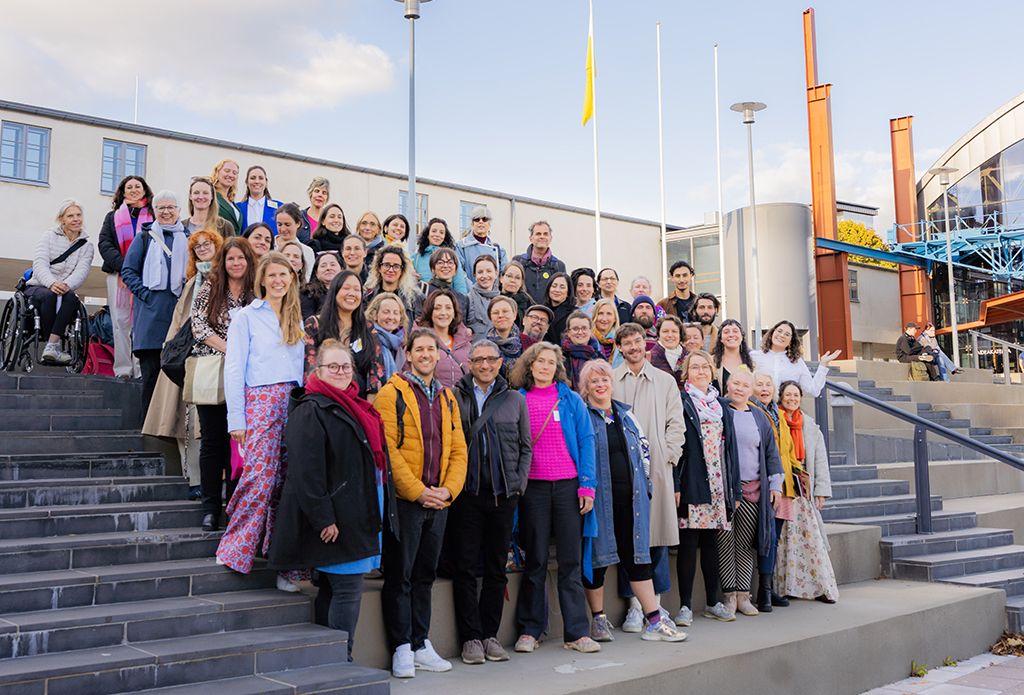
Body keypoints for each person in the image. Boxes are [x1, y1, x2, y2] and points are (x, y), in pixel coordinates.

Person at [268, 340, 397, 662]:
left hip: (359, 509)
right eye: (333, 367)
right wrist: (324, 518)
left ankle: (328, 660)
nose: (340, 372)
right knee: (347, 590)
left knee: (331, 587)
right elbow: (306, 472)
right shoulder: (312, 408)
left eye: (345, 367)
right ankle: (343, 660)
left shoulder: (355, 404)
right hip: (337, 516)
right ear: (317, 370)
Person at [377, 328, 468, 679]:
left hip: (439, 500)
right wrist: (417, 491)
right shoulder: (391, 394)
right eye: (420, 349)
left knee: (425, 575)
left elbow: (459, 448)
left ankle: (420, 641)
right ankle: (401, 646)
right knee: (400, 575)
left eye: (433, 349)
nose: (427, 354)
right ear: (409, 354)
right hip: (408, 501)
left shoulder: (447, 397)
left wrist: (448, 490)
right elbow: (389, 451)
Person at [578, 359, 688, 643]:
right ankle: (598, 619)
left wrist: (647, 486)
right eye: (594, 381)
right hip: (598, 501)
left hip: (631, 500)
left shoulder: (626, 415)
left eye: (604, 380)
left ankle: (653, 620)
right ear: (586, 387)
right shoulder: (582, 415)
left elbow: (644, 450)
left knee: (638, 558)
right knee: (598, 559)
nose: (600, 385)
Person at [217, 252, 307, 592]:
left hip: (294, 402)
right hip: (260, 401)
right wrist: (236, 418)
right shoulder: (245, 317)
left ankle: (284, 563)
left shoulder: (298, 318)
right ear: (263, 279)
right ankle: (236, 547)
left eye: (284, 275)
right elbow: (234, 366)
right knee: (260, 477)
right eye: (272, 275)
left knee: (289, 483)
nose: (278, 281)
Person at [510, 342, 600, 655]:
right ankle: (530, 629)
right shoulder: (518, 399)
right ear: (530, 365)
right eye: (540, 361)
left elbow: (587, 441)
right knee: (534, 559)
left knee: (570, 561)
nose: (546, 367)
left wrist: (587, 485)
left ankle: (576, 632)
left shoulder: (571, 399)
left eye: (551, 362)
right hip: (533, 488)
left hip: (567, 486)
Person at [451, 339, 532, 664]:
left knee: (497, 569)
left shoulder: (514, 399)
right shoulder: (456, 396)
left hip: (504, 496)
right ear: (469, 363)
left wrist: (519, 484)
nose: (485, 365)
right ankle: (470, 637)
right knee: (466, 568)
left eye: (491, 360)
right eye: (478, 360)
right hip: (467, 495)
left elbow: (526, 446)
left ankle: (490, 634)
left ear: (501, 363)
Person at [612, 322, 684, 631]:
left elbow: (676, 424)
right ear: (619, 347)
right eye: (626, 342)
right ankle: (632, 605)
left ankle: (655, 601)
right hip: (623, 472)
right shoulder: (611, 379)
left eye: (637, 340)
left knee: (656, 536)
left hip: (656, 468)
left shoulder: (665, 381)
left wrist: (668, 455)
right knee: (631, 536)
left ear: (646, 343)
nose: (633, 346)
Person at [142, 229, 222, 496]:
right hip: (186, 357)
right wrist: (170, 351)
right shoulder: (191, 283)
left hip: (216, 357)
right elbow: (178, 320)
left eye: (206, 244)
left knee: (206, 423)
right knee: (184, 421)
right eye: (196, 246)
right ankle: (194, 480)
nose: (202, 249)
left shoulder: (227, 279)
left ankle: (210, 481)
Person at [191, 237, 256, 530]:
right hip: (213, 368)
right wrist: (231, 348)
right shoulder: (210, 286)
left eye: (241, 258)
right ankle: (209, 506)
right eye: (231, 258)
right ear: (223, 261)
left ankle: (233, 503)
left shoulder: (257, 292)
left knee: (238, 442)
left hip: (247, 375)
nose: (236, 263)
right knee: (212, 441)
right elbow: (198, 324)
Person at [674, 350, 738, 626]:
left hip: (718, 482)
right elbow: (677, 445)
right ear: (686, 373)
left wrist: (732, 488)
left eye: (705, 367)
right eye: (695, 367)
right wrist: (677, 483)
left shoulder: (722, 404)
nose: (700, 371)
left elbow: (731, 449)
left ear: (712, 371)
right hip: (693, 479)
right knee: (689, 544)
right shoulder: (681, 400)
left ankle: (713, 602)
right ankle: (685, 606)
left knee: (712, 543)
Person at [717, 367, 783, 617]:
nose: (740, 388)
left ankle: (744, 596)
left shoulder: (759, 417)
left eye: (745, 385)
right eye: (735, 383)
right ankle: (729, 596)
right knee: (724, 543)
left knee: (744, 544)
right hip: (725, 490)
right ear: (728, 385)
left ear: (751, 389)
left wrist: (775, 485)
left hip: (753, 490)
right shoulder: (719, 409)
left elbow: (771, 454)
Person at [120, 190, 190, 413]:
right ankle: (147, 428)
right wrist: (146, 294)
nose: (167, 212)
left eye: (171, 207)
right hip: (150, 317)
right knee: (150, 376)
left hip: (178, 316)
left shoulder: (188, 239)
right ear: (154, 211)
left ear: (179, 211)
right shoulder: (144, 237)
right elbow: (128, 271)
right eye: (161, 208)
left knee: (177, 376)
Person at [774, 380, 838, 603]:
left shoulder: (809, 426)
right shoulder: (774, 420)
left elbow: (820, 459)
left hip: (803, 489)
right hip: (783, 489)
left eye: (796, 395)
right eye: (788, 395)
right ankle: (787, 587)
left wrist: (821, 490)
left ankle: (819, 586)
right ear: (780, 397)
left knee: (811, 539)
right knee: (785, 541)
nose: (792, 399)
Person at [25, 199, 95, 366]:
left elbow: (82, 271)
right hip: (40, 285)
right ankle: (54, 346)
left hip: (65, 289)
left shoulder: (87, 246)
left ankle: (51, 346)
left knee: (71, 298)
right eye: (71, 216)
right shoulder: (49, 236)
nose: (76, 219)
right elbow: (40, 264)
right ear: (62, 219)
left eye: (79, 215)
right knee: (50, 295)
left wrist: (66, 285)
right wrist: (51, 283)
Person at [751, 371, 799, 612]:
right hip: (764, 485)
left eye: (768, 384)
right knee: (765, 539)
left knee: (774, 539)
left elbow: (788, 452)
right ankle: (763, 593)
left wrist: (801, 473)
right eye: (758, 384)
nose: (764, 388)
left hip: (784, 485)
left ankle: (769, 589)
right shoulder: (752, 411)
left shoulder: (779, 414)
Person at [98, 175, 154, 379]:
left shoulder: (154, 215)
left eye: (137, 186)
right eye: (129, 187)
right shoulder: (112, 217)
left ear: (144, 190)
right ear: (122, 192)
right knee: (120, 322)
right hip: (118, 276)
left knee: (141, 323)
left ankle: (140, 370)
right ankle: (122, 369)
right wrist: (126, 267)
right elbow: (104, 244)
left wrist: (137, 269)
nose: (133, 189)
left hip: (146, 277)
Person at [305, 271, 390, 398]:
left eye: (357, 289)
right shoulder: (314, 324)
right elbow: (310, 370)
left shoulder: (367, 328)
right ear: (335, 291)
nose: (352, 293)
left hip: (358, 402)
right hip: (324, 400)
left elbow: (375, 374)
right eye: (346, 288)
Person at [751, 319, 841, 398]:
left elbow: (813, 391)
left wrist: (823, 365)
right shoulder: (754, 356)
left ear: (791, 341)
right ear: (772, 333)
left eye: (787, 334)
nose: (782, 335)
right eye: (779, 331)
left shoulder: (797, 362)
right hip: (759, 410)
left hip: (786, 411)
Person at [417, 288, 471, 389]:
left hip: (462, 402)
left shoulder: (466, 343)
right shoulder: (419, 342)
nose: (443, 312)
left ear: (454, 312)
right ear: (430, 312)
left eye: (448, 308)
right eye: (437, 308)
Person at [365, 246, 424, 320]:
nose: (391, 270)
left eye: (396, 266)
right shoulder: (368, 295)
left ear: (402, 270)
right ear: (379, 268)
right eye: (386, 265)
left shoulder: (414, 297)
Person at [413, 218, 469, 292]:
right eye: (434, 231)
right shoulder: (416, 258)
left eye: (441, 232)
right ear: (428, 234)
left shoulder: (452, 256)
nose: (437, 235)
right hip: (423, 299)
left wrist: (461, 301)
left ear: (445, 236)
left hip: (447, 299)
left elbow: (460, 284)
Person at [514, 220, 564, 301]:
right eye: (538, 234)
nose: (542, 236)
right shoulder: (518, 262)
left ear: (550, 238)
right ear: (531, 238)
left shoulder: (559, 266)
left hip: (549, 312)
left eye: (545, 234)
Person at [455, 205, 507, 273]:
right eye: (477, 219)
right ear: (472, 224)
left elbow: (503, 274)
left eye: (484, 219)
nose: (481, 222)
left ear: (489, 224)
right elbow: (459, 272)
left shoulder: (499, 250)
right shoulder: (461, 246)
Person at [367, 291, 408, 375]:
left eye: (396, 313)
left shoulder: (401, 344)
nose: (391, 317)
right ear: (375, 315)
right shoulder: (367, 340)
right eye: (386, 312)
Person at [421, 248, 469, 318]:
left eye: (450, 262)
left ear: (456, 269)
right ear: (433, 269)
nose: (446, 266)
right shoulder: (422, 290)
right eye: (440, 262)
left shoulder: (461, 298)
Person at [235, 165, 282, 234]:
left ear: (266, 182)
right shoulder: (237, 208)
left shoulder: (279, 208)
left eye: (261, 178)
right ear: (247, 182)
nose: (257, 181)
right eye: (253, 178)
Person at [273, 203, 314, 280]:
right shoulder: (269, 246)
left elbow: (307, 279)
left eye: (287, 225)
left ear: (298, 223)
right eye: (279, 224)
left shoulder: (307, 252)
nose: (283, 229)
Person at [712, 318, 755, 393]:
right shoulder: (711, 362)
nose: (731, 335)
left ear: (742, 337)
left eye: (735, 331)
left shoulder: (753, 363)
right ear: (721, 339)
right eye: (726, 332)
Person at [562, 311, 601, 390]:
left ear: (590, 331)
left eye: (584, 328)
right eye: (575, 329)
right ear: (568, 333)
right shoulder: (560, 358)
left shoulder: (599, 358)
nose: (580, 332)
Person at [485, 295, 523, 375]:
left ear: (514, 315)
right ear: (490, 317)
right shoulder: (484, 347)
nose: (500, 315)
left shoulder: (527, 343)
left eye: (505, 311)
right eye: (495, 313)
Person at [648, 315, 686, 391]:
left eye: (674, 331)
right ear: (658, 334)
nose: (670, 335)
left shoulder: (688, 357)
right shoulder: (649, 357)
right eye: (665, 331)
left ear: (680, 334)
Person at [301, 251, 342, 319]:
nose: (328, 268)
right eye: (323, 266)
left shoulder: (349, 290)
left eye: (333, 265)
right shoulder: (307, 292)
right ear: (316, 273)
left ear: (342, 269)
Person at [466, 255, 500, 336]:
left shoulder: (502, 300)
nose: (484, 276)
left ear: (496, 274)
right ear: (475, 275)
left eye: (489, 271)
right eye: (480, 272)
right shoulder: (467, 299)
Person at [211, 159, 242, 236]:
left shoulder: (232, 202)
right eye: (227, 171)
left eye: (234, 173)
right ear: (217, 173)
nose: (231, 175)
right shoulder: (211, 197)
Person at [499, 260, 533, 329]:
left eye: (517, 278)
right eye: (509, 276)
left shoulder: (528, 303)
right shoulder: (493, 300)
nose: (513, 280)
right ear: (501, 278)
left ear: (521, 282)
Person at [543, 271, 574, 344]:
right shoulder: (541, 310)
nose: (557, 290)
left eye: (562, 287)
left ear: (568, 292)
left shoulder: (574, 314)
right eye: (554, 286)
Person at [298, 176, 330, 243]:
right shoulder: (299, 217)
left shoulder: (329, 219)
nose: (320, 195)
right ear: (311, 194)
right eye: (317, 191)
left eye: (324, 193)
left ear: (327, 197)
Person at [592, 298, 623, 366]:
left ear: (615, 318)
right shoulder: (588, 340)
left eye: (609, 314)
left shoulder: (621, 341)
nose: (604, 318)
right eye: (600, 313)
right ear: (594, 316)